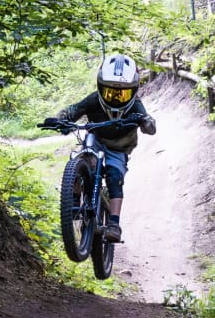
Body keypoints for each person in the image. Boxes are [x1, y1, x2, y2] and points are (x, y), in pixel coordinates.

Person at [44, 53, 156, 243]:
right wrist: (60, 120)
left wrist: (145, 122)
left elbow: (151, 127)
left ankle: (114, 223)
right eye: (110, 92)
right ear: (100, 87)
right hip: (95, 139)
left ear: (134, 90)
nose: (115, 98)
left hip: (119, 148)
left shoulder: (136, 105)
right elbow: (72, 111)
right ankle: (73, 204)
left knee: (115, 176)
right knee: (80, 159)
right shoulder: (94, 100)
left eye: (123, 93)